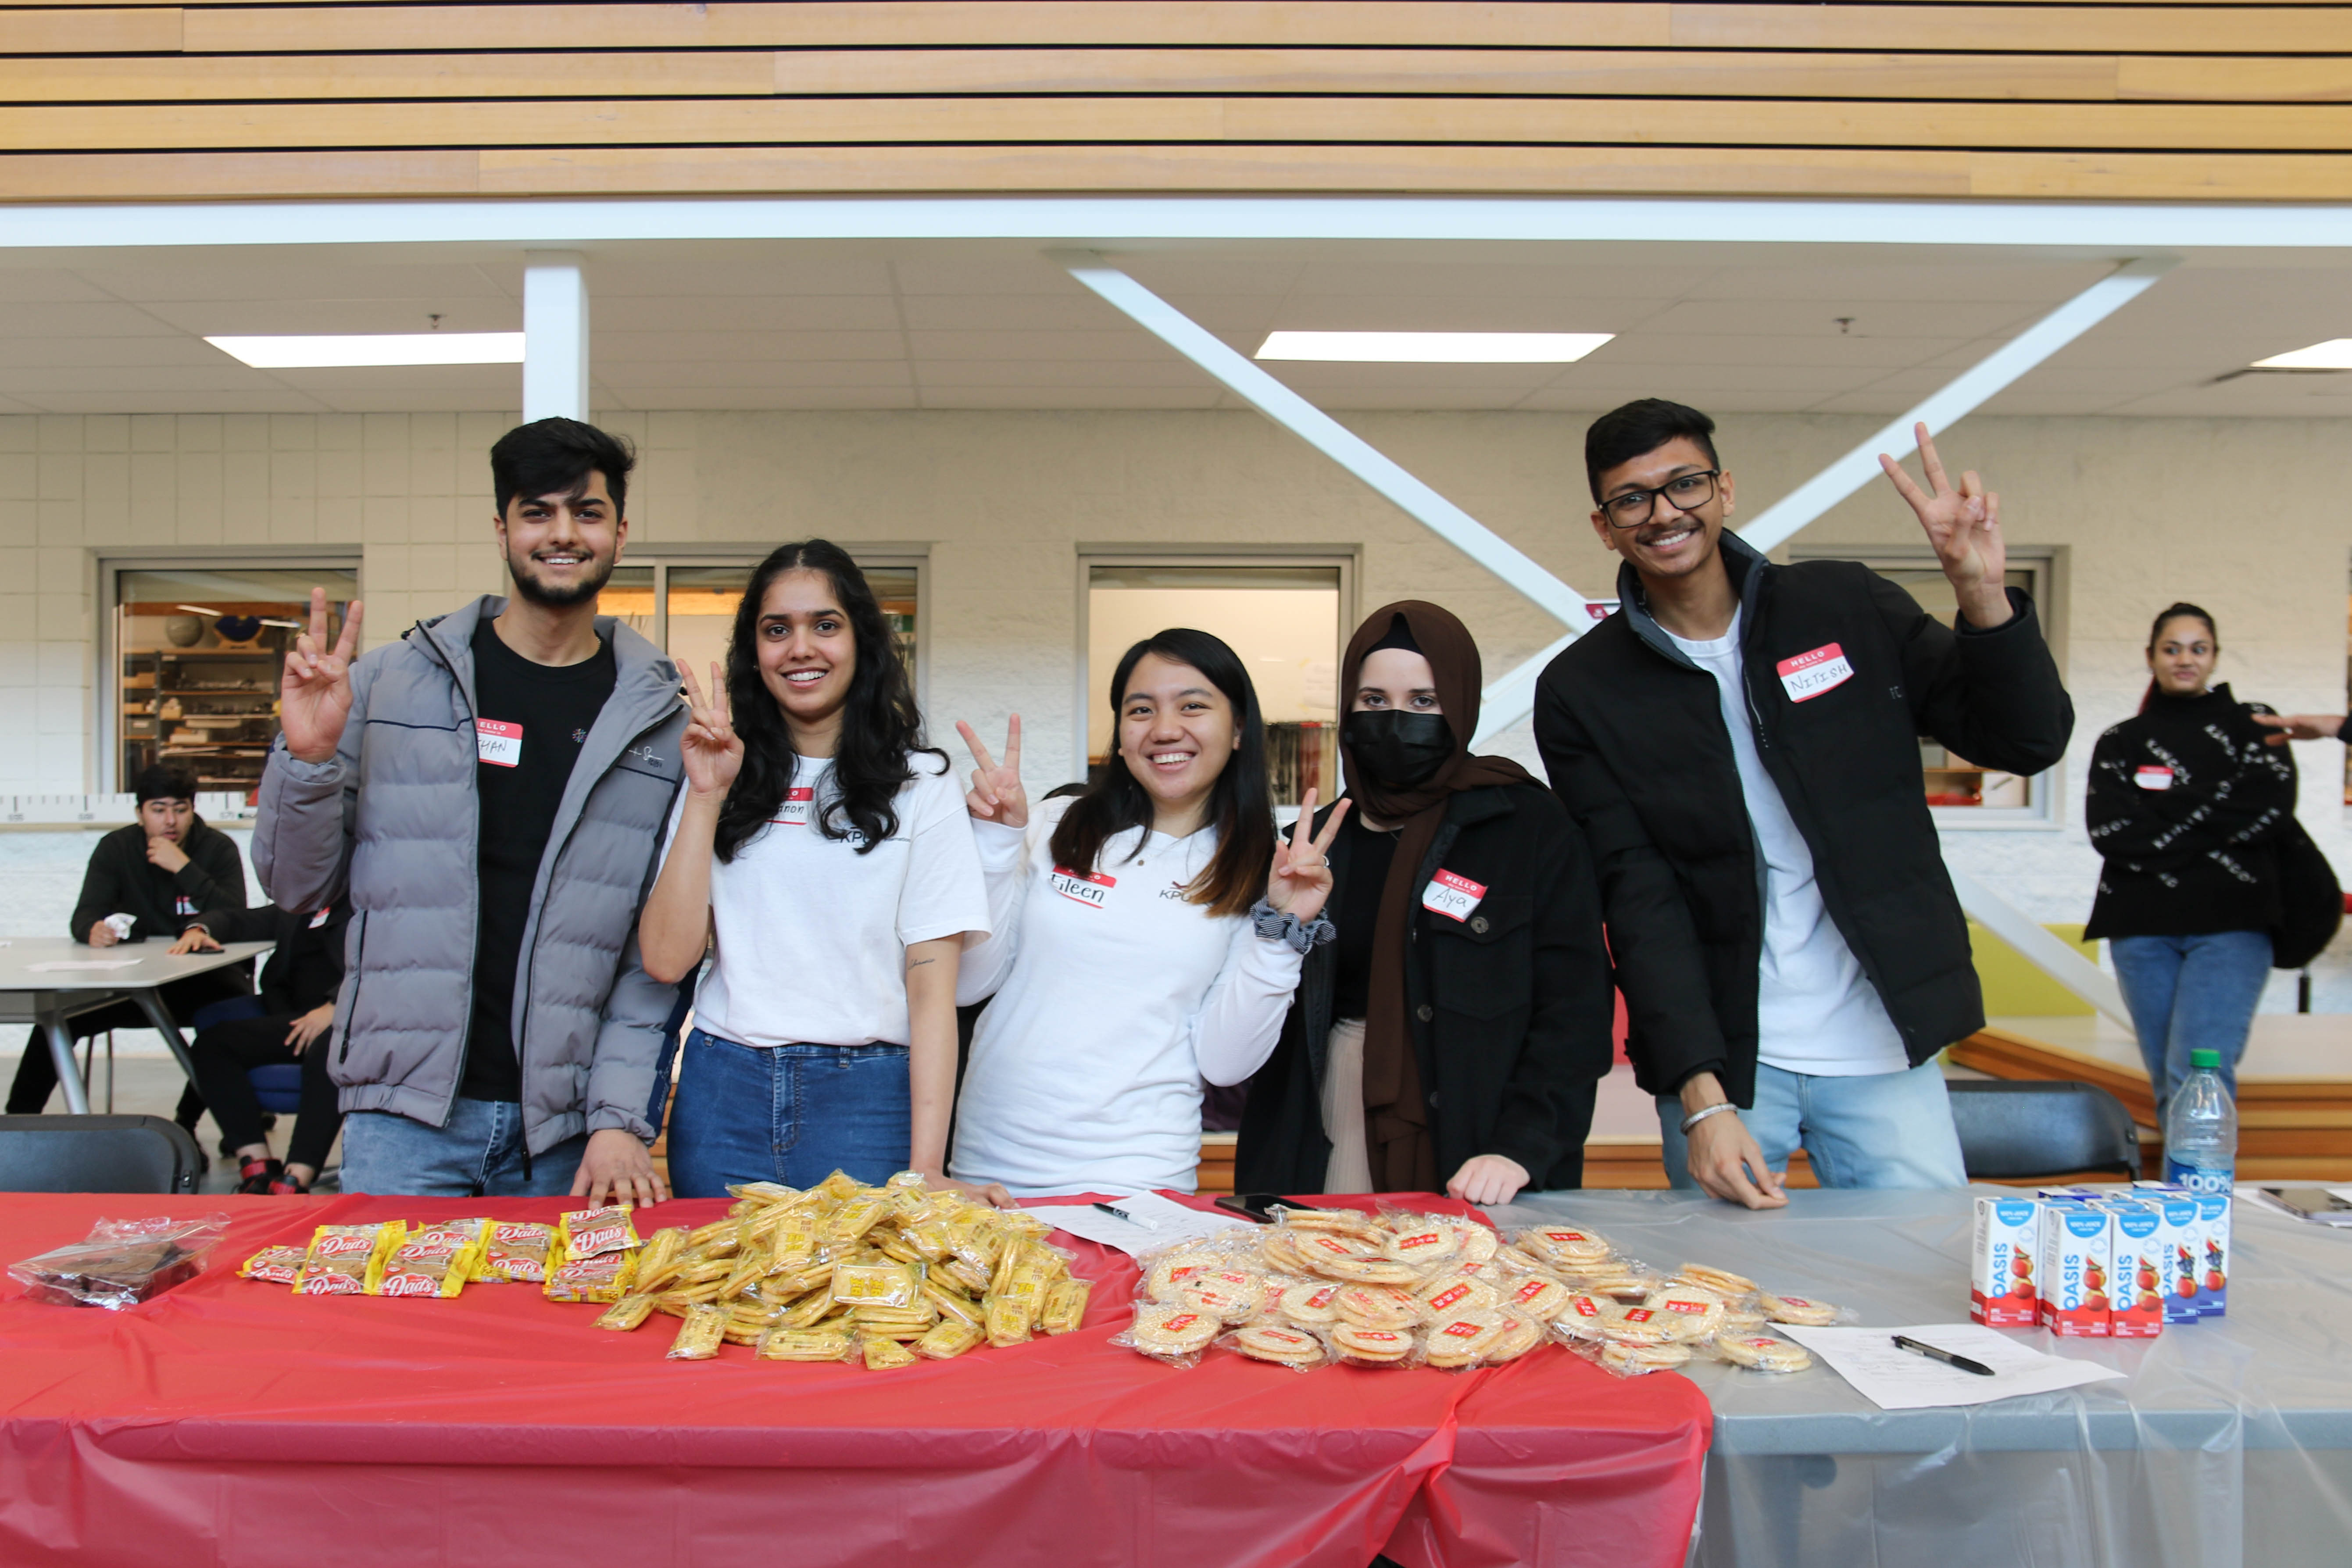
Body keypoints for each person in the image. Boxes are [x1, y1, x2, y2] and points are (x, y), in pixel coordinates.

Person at [1535, 400, 2073, 1207]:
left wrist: (1981, 596)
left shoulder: (1843, 606)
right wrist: (1701, 1096)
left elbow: (2026, 740)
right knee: (1728, 1281)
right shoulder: (1583, 689)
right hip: (1730, 1064)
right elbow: (1637, 897)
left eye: (1684, 484)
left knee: (1921, 1263)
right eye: (1631, 498)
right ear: (1604, 526)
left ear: (1724, 489)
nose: (1664, 512)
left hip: (1885, 1042)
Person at [254, 416, 686, 1204]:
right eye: (537, 512)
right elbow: (295, 886)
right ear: (502, 529)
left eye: (587, 512)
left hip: (565, 1134)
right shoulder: (387, 685)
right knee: (391, 1296)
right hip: (401, 1121)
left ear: (620, 534)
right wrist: (307, 760)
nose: (563, 533)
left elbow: (646, 959)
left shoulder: (658, 721)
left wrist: (619, 1117)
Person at [641, 540, 994, 1198]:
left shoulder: (921, 784)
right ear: (754, 651)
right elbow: (665, 958)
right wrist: (706, 794)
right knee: (719, 1270)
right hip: (723, 1090)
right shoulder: (718, 771)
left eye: (825, 625)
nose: (800, 648)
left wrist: (927, 1165)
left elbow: (931, 990)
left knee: (863, 1272)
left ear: (862, 640)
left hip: (869, 1099)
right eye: (777, 630)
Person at [1237, 603, 1615, 1204]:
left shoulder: (1527, 827)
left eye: (1422, 700)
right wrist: (1278, 920)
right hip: (1327, 1120)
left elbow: (1574, 1010)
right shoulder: (1311, 845)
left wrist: (1522, 1145)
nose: (1395, 720)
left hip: (1478, 1135)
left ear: (1459, 704)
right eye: (1373, 700)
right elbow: (1255, 1017)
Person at [947, 629, 1344, 1197]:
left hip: (1139, 1173)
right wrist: (995, 844)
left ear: (1237, 729)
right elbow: (967, 983)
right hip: (992, 1161)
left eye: (1192, 706)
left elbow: (1225, 1061)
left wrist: (1284, 933)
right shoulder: (1056, 824)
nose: (1164, 729)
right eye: (1141, 709)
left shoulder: (1256, 872)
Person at [2086, 604, 2295, 1112]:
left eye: (2198, 649)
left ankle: (2203, 1169)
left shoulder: (2255, 724)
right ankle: (2183, 1170)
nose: (2185, 659)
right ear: (2151, 656)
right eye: (2172, 648)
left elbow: (2269, 811)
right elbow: (2111, 832)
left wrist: (2159, 815)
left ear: (2215, 656)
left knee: (2198, 1072)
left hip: (2232, 926)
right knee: (2167, 1077)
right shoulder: (2120, 741)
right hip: (2140, 928)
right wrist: (2218, 806)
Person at [7, 762, 247, 1125]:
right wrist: (93, 929)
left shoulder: (218, 848)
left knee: (233, 1014)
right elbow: (84, 914)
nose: (170, 821)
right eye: (158, 810)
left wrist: (184, 868)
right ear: (139, 813)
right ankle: (15, 1123)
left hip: (200, 980)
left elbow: (236, 916)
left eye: (180, 809)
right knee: (57, 1017)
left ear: (193, 809)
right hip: (127, 984)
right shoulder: (116, 848)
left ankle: (187, 1123)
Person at [179, 898, 350, 1193]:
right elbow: (237, 920)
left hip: (354, 1021)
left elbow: (387, 961)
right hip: (295, 1020)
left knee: (329, 1049)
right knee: (213, 1044)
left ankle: (297, 1177)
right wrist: (198, 929)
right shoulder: (300, 906)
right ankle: (257, 1166)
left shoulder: (371, 904)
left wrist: (338, 1004)